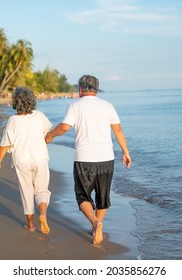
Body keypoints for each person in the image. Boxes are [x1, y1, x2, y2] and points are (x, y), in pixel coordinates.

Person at [45, 75, 131, 245]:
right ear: (97, 89)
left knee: (82, 195)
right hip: (107, 157)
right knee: (103, 196)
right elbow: (118, 130)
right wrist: (126, 152)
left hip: (84, 158)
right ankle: (98, 225)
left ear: (80, 89)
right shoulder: (108, 106)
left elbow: (64, 127)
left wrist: (51, 135)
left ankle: (95, 223)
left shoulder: (75, 105)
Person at [0, 87, 53, 234]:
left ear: (16, 102)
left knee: (26, 192)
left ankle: (31, 225)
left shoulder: (13, 120)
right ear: (32, 101)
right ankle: (43, 215)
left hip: (22, 159)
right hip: (40, 157)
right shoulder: (39, 116)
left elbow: (5, 145)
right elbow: (49, 134)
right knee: (41, 190)